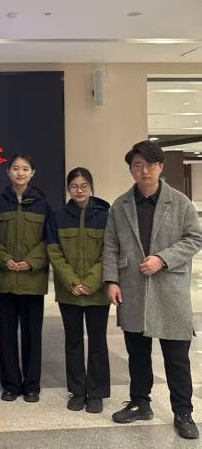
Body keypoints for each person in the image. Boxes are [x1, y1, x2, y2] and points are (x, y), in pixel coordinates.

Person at [103, 140, 202, 440]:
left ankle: (183, 412)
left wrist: (163, 259)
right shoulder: (120, 205)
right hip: (132, 287)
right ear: (131, 169)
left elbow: (195, 238)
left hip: (169, 287)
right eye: (137, 165)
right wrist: (111, 281)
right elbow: (110, 245)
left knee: (176, 357)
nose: (144, 171)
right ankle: (140, 403)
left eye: (149, 165)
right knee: (137, 353)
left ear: (160, 167)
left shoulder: (180, 202)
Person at [47, 167, 110, 414]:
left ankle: (96, 392)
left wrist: (91, 282)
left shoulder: (105, 215)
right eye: (74, 186)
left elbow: (110, 252)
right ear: (68, 189)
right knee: (73, 341)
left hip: (98, 292)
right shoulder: (59, 216)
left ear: (91, 187)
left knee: (97, 342)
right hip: (69, 292)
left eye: (84, 186)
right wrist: (73, 282)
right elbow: (53, 251)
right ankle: (77, 391)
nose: (79, 190)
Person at [0, 154, 52, 403]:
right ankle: (10, 384)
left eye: (25, 169)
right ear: (8, 172)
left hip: (32, 280)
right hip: (4, 279)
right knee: (6, 334)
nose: (20, 173)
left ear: (32, 173)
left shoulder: (42, 204)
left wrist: (31, 261)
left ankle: (31, 385)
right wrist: (4, 258)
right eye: (15, 168)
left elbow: (49, 239)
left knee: (32, 335)